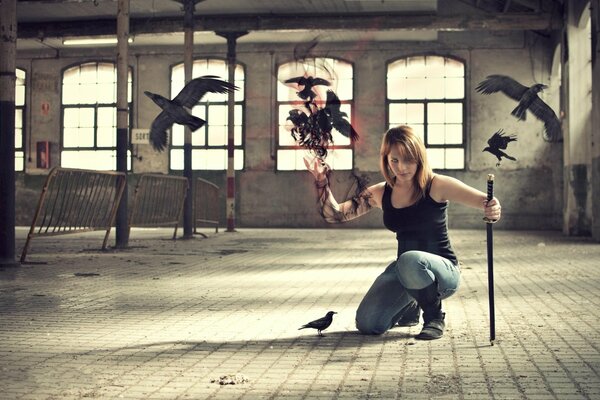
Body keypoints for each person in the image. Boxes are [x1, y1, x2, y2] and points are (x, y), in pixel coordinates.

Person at [304, 125, 501, 340]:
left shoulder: (437, 185)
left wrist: (493, 208)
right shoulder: (381, 192)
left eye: (408, 160)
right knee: (368, 324)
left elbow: (486, 202)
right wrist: (321, 181)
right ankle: (412, 303)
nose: (401, 167)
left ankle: (434, 317)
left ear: (419, 157)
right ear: (386, 160)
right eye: (394, 160)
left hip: (443, 273)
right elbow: (335, 215)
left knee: (410, 259)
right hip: (405, 271)